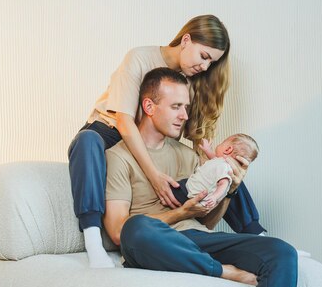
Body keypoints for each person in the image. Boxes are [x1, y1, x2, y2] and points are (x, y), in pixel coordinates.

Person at [104, 68, 298, 287]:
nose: (184, 115)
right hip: (155, 242)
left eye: (186, 106)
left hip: (198, 239)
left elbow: (206, 222)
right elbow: (117, 232)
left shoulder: (187, 154)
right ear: (149, 105)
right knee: (136, 227)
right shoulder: (120, 157)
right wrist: (179, 212)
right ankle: (223, 273)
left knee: (281, 253)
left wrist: (228, 190)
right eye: (176, 106)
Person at [68, 15, 265, 268]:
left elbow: (197, 140)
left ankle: (255, 234)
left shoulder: (191, 80)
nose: (205, 67)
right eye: (204, 56)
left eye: (211, 63)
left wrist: (215, 164)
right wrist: (154, 175)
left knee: (222, 162)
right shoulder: (139, 58)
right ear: (186, 40)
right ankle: (93, 242)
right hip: (112, 129)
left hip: (150, 140)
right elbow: (124, 120)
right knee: (87, 141)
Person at [173, 133, 259, 209]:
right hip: (190, 187)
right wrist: (207, 149)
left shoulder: (225, 168)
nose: (219, 144)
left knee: (173, 191)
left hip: (192, 193)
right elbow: (213, 158)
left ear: (228, 149)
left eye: (222, 142)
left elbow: (223, 184)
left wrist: (215, 197)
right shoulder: (220, 162)